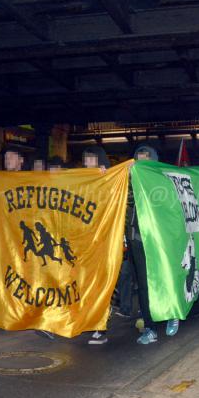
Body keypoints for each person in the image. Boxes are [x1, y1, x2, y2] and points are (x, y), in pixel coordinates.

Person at [129, 144, 180, 344]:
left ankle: (172, 312)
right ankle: (150, 328)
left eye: (147, 164)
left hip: (161, 240)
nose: (142, 169)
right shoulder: (129, 182)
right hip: (138, 239)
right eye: (138, 164)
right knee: (144, 285)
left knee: (165, 277)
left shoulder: (165, 182)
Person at [81, 146, 111, 345]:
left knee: (101, 284)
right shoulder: (82, 181)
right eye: (86, 160)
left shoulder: (108, 181)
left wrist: (106, 176)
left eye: (91, 159)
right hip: (84, 243)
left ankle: (100, 328)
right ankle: (88, 321)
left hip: (103, 242)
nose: (87, 163)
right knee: (85, 284)